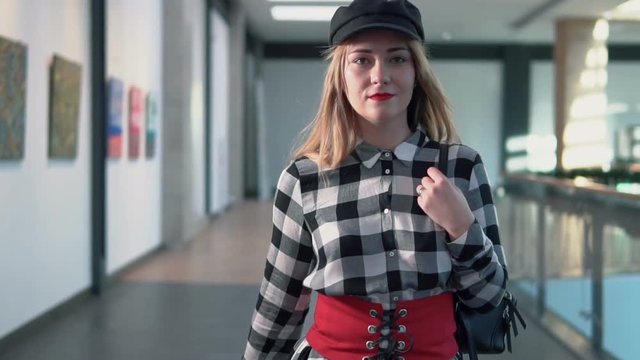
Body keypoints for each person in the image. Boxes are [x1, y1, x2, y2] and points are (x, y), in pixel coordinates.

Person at [243, 0, 507, 359]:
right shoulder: (304, 179)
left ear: (416, 71)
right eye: (362, 59)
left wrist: (462, 228)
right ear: (341, 75)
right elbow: (280, 304)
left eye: (397, 58)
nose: (380, 75)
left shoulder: (461, 167)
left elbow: (490, 295)